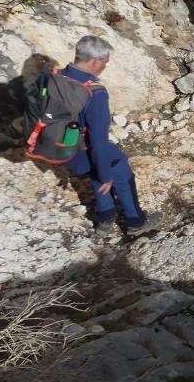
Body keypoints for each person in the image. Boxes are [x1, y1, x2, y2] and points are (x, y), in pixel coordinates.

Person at [60, 35, 163, 236]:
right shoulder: (94, 93)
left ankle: (105, 218)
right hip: (82, 151)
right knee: (119, 170)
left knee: (95, 169)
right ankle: (135, 222)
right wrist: (106, 175)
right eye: (105, 63)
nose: (105, 67)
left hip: (62, 149)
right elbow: (98, 141)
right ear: (95, 61)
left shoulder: (54, 77)